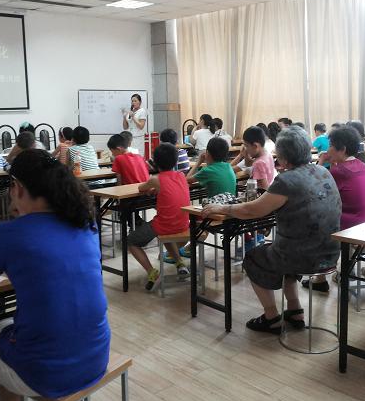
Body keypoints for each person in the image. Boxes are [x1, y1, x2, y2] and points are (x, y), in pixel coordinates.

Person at [0, 150, 110, 401]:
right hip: (96, 357)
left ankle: (13, 384)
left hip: (45, 373)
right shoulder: (85, 223)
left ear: (17, 187)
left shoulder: (7, 234)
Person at [201, 126, 341, 334]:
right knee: (282, 251)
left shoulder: (287, 180)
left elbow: (252, 210)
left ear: (283, 156)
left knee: (253, 258)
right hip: (330, 253)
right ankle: (294, 311)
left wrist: (222, 208)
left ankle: (271, 316)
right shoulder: (323, 171)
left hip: (303, 256)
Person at [307, 126, 365, 291]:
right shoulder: (362, 165)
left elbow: (316, 189)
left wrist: (321, 161)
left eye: (331, 145)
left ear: (342, 149)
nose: (328, 149)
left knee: (316, 222)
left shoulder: (340, 171)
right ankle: (344, 269)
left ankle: (320, 277)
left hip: (353, 226)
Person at [126, 143, 191, 291]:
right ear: (175, 161)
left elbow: (141, 188)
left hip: (165, 225)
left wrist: (154, 188)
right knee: (166, 232)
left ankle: (152, 272)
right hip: (183, 223)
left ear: (155, 162)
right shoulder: (181, 176)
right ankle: (180, 264)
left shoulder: (155, 179)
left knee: (131, 241)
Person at [122, 93, 147, 158]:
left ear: (140, 102)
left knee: (137, 157)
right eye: (132, 101)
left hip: (138, 138)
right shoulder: (131, 111)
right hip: (129, 138)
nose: (133, 103)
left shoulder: (142, 111)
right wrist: (124, 117)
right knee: (130, 157)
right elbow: (125, 127)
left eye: (135, 101)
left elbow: (141, 126)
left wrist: (133, 117)